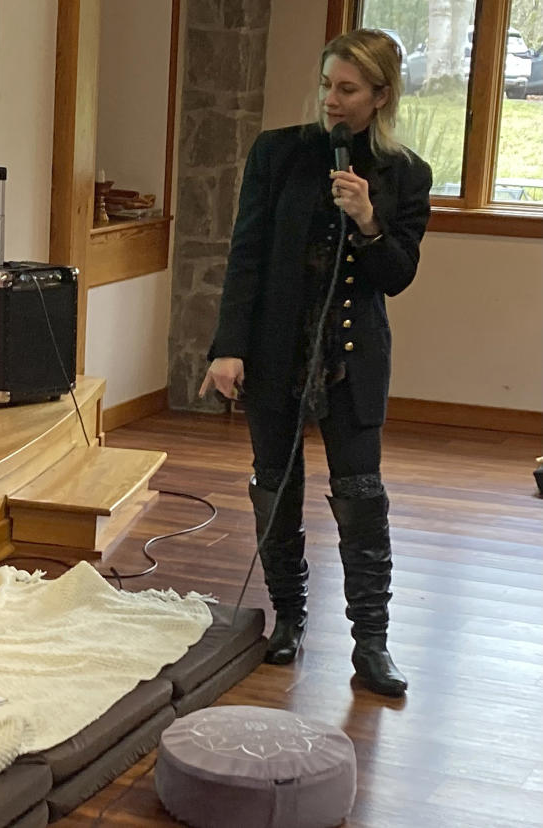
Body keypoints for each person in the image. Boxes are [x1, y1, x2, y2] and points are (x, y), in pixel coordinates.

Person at [200, 28, 432, 697]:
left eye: (348, 89)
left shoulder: (405, 174)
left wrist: (368, 220)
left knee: (361, 499)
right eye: (328, 84)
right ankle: (289, 619)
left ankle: (371, 645)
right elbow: (246, 255)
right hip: (277, 351)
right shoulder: (279, 153)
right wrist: (228, 346)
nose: (332, 99)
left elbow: (398, 275)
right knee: (274, 487)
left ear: (381, 96)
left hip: (353, 358)